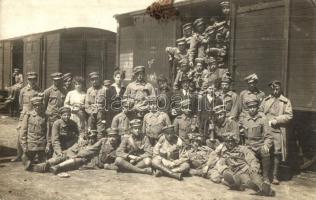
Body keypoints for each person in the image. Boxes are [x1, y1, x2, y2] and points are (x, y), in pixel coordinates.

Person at [204, 133, 275, 196]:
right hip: (237, 172)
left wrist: (254, 167)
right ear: (225, 143)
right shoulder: (222, 150)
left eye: (232, 141)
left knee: (255, 176)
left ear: (235, 142)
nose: (230, 144)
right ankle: (250, 186)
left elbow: (251, 158)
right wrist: (208, 164)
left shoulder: (242, 148)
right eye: (228, 142)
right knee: (246, 180)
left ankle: (265, 188)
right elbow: (213, 155)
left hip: (246, 168)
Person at [32, 128, 121, 174]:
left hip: (92, 161)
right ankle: (43, 165)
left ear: (117, 137)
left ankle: (57, 167)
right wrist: (78, 154)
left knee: (78, 160)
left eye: (114, 137)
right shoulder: (103, 141)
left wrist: (107, 166)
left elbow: (116, 161)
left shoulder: (119, 146)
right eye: (110, 136)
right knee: (64, 156)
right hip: (83, 155)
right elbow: (91, 149)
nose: (112, 139)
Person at [260, 80, 293, 184]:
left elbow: (289, 115)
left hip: (277, 130)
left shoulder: (285, 101)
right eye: (273, 89)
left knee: (276, 153)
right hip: (266, 130)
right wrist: (264, 119)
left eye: (277, 89)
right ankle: (265, 176)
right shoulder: (266, 100)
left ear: (280, 89)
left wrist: (277, 120)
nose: (275, 91)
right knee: (265, 150)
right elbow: (260, 111)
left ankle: (274, 176)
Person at [239, 95, 273, 183]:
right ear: (247, 108)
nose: (252, 109)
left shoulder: (263, 119)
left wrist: (266, 145)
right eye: (250, 107)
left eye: (254, 107)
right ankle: (251, 177)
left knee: (265, 152)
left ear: (257, 107)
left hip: (259, 145)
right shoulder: (244, 119)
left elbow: (268, 136)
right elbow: (238, 132)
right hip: (248, 146)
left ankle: (265, 177)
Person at [11, 72, 40, 162]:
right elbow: (20, 103)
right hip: (24, 114)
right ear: (27, 80)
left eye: (34, 79)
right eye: (30, 79)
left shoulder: (38, 90)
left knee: (33, 134)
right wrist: (24, 111)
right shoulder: (23, 90)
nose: (32, 81)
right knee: (21, 134)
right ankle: (19, 155)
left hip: (34, 114)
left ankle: (30, 155)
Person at [43, 72, 67, 157]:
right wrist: (47, 114)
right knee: (49, 135)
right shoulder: (48, 91)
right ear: (53, 81)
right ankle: (48, 153)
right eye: (56, 80)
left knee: (59, 134)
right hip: (51, 117)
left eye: (59, 80)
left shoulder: (64, 90)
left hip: (60, 117)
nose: (57, 82)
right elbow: (44, 105)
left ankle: (57, 153)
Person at [20, 96, 47, 170]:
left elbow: (48, 132)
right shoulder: (28, 115)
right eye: (35, 105)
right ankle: (28, 159)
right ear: (33, 106)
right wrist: (24, 146)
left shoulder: (45, 116)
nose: (37, 107)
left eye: (39, 105)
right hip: (31, 143)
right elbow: (23, 131)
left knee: (44, 165)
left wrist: (48, 144)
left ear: (42, 105)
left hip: (42, 143)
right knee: (27, 165)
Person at [85, 72, 107, 139]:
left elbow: (108, 103)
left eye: (96, 79)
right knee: (91, 130)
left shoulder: (104, 89)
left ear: (99, 79)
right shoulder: (89, 90)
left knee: (101, 131)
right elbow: (86, 103)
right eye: (92, 80)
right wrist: (90, 111)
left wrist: (103, 109)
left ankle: (100, 145)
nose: (94, 81)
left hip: (101, 113)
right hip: (91, 113)